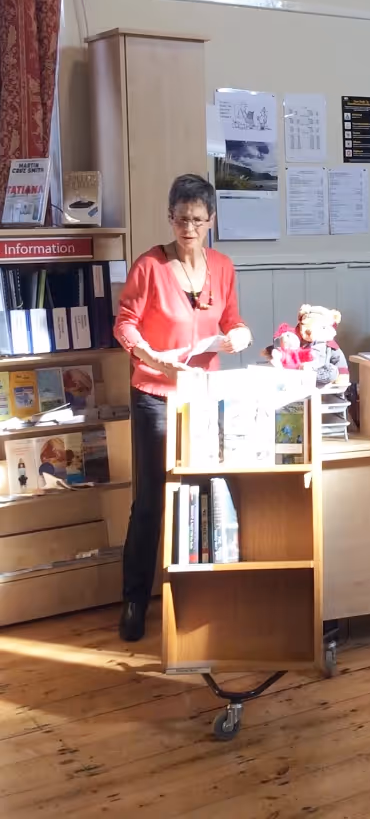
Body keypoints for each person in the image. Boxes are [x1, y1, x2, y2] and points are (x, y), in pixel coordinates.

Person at [113, 175, 253, 641]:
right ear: (169, 218)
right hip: (155, 392)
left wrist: (240, 335)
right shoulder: (150, 266)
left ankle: (201, 595)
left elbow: (232, 320)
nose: (187, 227)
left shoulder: (224, 266)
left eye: (196, 219)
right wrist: (152, 358)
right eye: (180, 218)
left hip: (203, 392)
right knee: (152, 498)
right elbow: (125, 324)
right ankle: (135, 599)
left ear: (211, 220)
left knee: (208, 490)